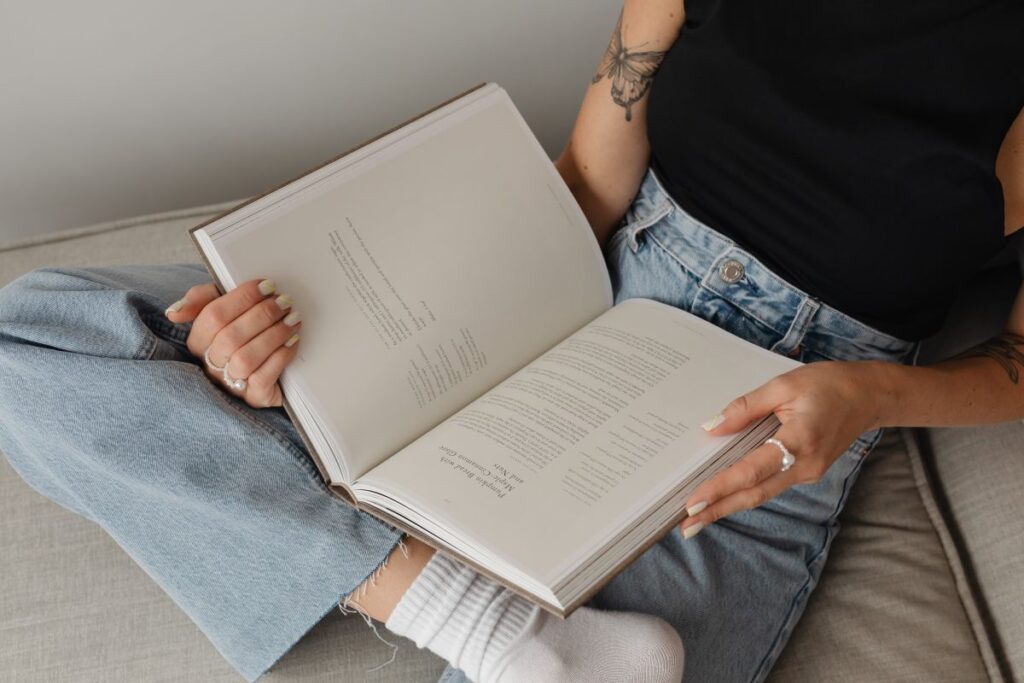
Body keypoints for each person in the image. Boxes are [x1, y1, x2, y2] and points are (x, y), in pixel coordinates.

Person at [1, 1, 1022, 681]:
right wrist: (342, 353)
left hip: (763, 421)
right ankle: (474, 619)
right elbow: (584, 184)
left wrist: (872, 397)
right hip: (578, 291)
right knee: (29, 338)